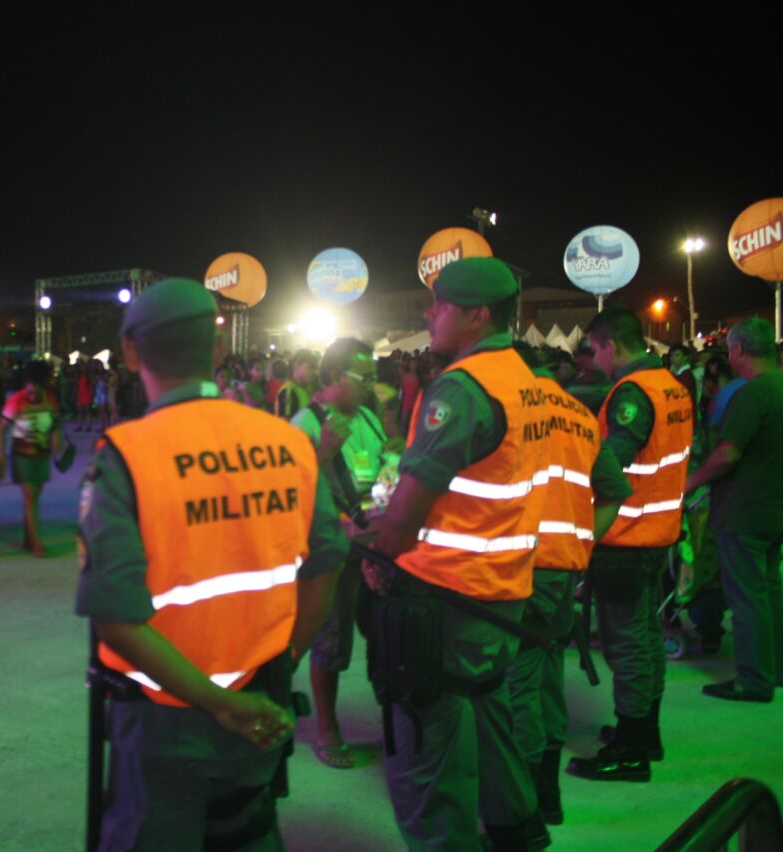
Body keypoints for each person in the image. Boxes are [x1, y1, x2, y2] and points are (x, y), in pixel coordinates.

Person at [76, 278, 347, 850]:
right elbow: (326, 564)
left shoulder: (126, 455)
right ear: (218, 349)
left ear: (130, 353)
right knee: (248, 832)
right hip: (263, 704)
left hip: (160, 718)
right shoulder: (289, 443)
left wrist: (219, 703)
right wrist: (283, 661)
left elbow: (115, 618)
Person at [363, 257, 550, 850]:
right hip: (502, 589)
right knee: (492, 721)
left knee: (426, 760)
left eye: (439, 305)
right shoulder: (525, 379)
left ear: (476, 316)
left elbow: (406, 517)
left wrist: (371, 549)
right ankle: (517, 833)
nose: (428, 313)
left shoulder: (461, 389)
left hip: (444, 595)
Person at [566, 306, 693, 783]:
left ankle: (631, 749)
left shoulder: (632, 395)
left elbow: (611, 460)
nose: (594, 361)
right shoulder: (670, 385)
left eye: (595, 351)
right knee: (645, 639)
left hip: (625, 535)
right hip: (657, 531)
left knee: (628, 647)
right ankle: (645, 732)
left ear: (611, 346)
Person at [506, 342, 630, 825]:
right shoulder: (577, 413)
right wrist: (582, 545)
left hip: (518, 566)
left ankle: (524, 809)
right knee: (548, 674)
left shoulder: (508, 407)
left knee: (517, 685)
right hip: (563, 569)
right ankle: (548, 796)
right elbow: (614, 493)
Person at [290, 337, 389, 769]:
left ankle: (392, 717)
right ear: (332, 377)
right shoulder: (305, 424)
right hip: (331, 552)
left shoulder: (368, 416)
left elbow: (383, 471)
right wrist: (323, 451)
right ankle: (327, 727)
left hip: (376, 547)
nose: (369, 386)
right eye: (361, 377)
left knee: (384, 635)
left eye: (371, 378)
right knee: (331, 639)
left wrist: (395, 461)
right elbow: (287, 493)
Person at [685, 317, 783, 702]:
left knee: (747, 598)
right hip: (774, 510)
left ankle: (753, 679)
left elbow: (727, 454)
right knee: (770, 592)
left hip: (745, 510)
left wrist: (691, 483)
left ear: (739, 350)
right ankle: (773, 669)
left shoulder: (753, 394)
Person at [0, 359, 62, 557]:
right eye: (30, 391)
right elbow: (1, 430)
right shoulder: (16, 400)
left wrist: (56, 440)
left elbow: (56, 424)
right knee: (30, 496)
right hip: (21, 455)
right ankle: (37, 543)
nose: (33, 396)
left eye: (37, 392)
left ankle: (28, 538)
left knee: (34, 498)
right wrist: (0, 457)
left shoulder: (50, 399)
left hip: (42, 454)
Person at [273, 349, 317, 419]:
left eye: (315, 368)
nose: (314, 372)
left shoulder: (304, 388)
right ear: (296, 365)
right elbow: (285, 423)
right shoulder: (289, 390)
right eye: (309, 368)